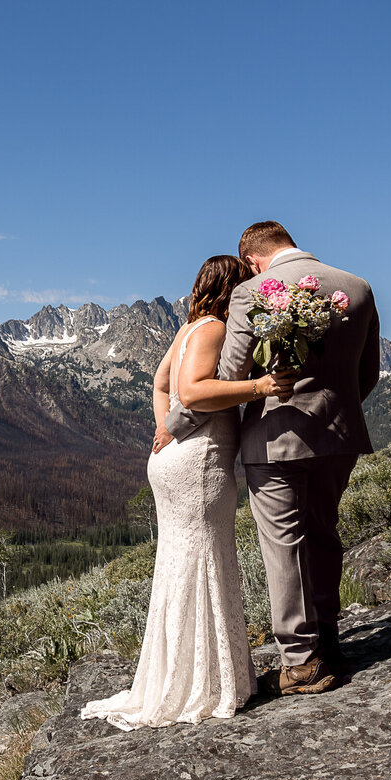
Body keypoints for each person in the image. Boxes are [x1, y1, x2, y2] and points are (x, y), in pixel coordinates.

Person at [80, 255, 295, 729]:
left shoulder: (189, 329)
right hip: (198, 462)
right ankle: (205, 683)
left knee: (182, 561)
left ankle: (183, 675)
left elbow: (162, 384)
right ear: (232, 288)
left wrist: (163, 429)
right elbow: (194, 392)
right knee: (205, 558)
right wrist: (259, 385)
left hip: (175, 460)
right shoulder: (215, 329)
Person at [164, 221, 380, 695]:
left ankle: (302, 663)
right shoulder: (357, 287)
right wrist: (335, 414)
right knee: (324, 535)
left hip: (273, 439)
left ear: (253, 260)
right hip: (339, 437)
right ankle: (330, 643)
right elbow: (370, 374)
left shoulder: (252, 292)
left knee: (285, 547)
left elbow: (230, 373)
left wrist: (175, 424)